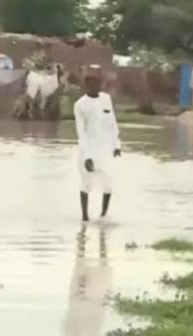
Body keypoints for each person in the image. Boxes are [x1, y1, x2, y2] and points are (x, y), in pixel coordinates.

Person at [74, 66, 121, 222]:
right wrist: (87, 156)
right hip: (89, 151)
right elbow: (81, 133)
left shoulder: (106, 99)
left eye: (98, 82)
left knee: (108, 184)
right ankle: (85, 218)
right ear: (87, 84)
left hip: (106, 149)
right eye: (93, 82)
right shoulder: (80, 105)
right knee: (86, 184)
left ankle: (103, 215)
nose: (96, 85)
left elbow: (113, 124)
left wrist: (116, 146)